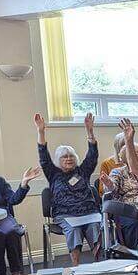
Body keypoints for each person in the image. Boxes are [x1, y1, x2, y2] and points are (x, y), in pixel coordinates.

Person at [34, 111, 101, 266]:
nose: (69, 159)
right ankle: (75, 266)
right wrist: (41, 132)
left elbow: (92, 155)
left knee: (94, 228)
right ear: (58, 160)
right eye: (64, 157)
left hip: (89, 213)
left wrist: (90, 132)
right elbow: (43, 155)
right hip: (65, 215)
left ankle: (99, 264)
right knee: (74, 230)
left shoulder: (82, 171)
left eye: (71, 156)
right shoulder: (53, 173)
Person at [101, 141, 138, 249]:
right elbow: (112, 189)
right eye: (132, 152)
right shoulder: (117, 172)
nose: (136, 155)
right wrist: (109, 184)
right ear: (125, 157)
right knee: (134, 226)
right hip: (128, 208)